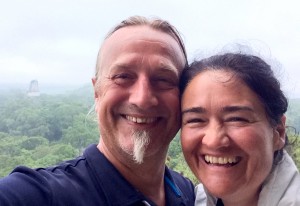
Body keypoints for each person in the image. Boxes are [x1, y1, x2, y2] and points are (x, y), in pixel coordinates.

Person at [0, 16, 195, 206]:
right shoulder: (42, 195)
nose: (142, 99)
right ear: (97, 92)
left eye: (163, 79)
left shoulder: (187, 192)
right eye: (123, 76)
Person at [179, 52, 300, 206]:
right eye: (196, 120)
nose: (213, 140)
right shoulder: (195, 198)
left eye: (237, 119)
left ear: (279, 131)